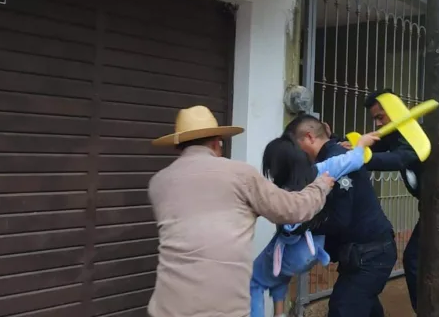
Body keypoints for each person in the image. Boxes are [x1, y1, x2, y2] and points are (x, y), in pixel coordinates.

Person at [146, 105, 336, 317]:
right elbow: (293, 209)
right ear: (217, 143)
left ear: (178, 147)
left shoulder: (158, 183)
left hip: (166, 307)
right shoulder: (240, 175)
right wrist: (321, 186)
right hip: (223, 309)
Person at [358, 89, 439, 317]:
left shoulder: (414, 135)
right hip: (434, 209)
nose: (378, 123)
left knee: (419, 260)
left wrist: (364, 158)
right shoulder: (395, 134)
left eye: (381, 117)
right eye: (375, 118)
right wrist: (341, 144)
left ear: (395, 111)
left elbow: (403, 156)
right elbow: (376, 146)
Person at [251, 132, 380, 317]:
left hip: (292, 254)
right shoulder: (321, 171)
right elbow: (352, 160)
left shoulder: (280, 193)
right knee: (277, 275)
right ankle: (280, 314)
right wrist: (361, 144)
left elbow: (288, 229)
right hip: (312, 253)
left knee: (255, 279)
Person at [284, 115, 397, 317]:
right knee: (363, 306)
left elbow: (339, 219)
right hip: (364, 252)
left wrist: (302, 223)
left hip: (370, 253)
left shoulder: (336, 161)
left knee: (343, 308)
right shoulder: (334, 156)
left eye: (295, 145)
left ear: (309, 137)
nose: (295, 154)